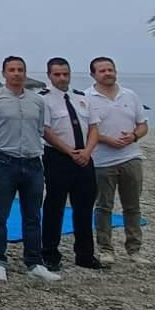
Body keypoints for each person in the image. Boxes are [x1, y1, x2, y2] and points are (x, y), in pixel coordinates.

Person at [0, 56, 60, 284]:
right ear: (4, 73)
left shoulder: (37, 101)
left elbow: (40, 129)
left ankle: (34, 262)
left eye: (20, 69)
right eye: (12, 70)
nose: (16, 74)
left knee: (33, 216)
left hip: (33, 163)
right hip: (5, 162)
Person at [39, 57, 104, 273]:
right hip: (58, 158)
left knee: (84, 207)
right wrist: (69, 151)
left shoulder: (81, 97)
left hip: (84, 157)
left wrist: (87, 151)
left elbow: (94, 127)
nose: (62, 78)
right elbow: (46, 131)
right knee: (54, 207)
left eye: (65, 74)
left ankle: (85, 254)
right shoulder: (45, 100)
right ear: (49, 75)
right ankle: (50, 253)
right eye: (57, 74)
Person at [85, 56, 149, 265]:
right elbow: (86, 130)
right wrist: (106, 139)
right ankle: (105, 248)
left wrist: (134, 136)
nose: (107, 73)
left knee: (133, 206)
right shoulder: (87, 97)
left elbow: (142, 124)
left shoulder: (129, 95)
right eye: (102, 71)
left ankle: (134, 249)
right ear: (93, 74)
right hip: (102, 161)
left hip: (131, 157)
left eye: (110, 69)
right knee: (104, 206)